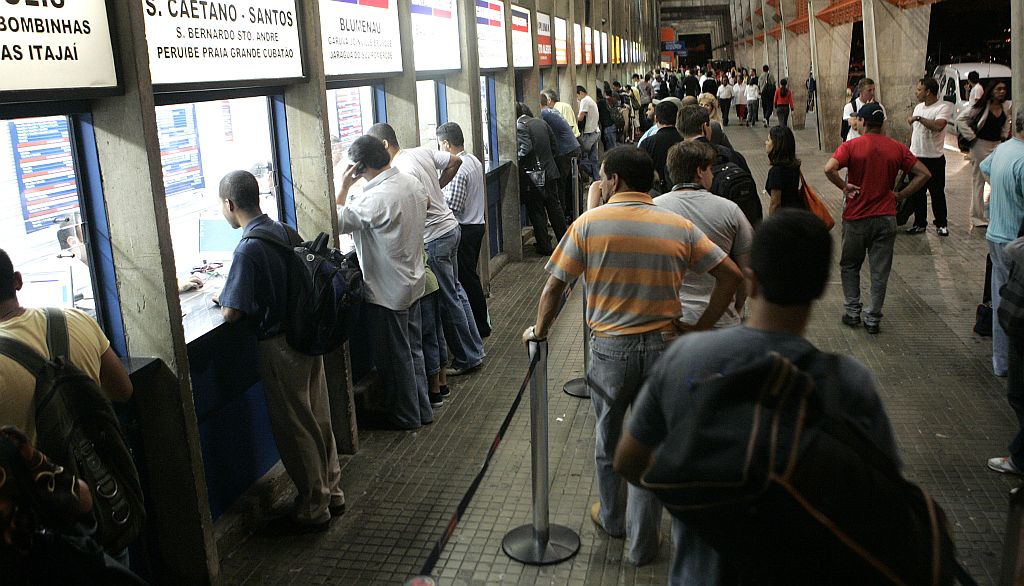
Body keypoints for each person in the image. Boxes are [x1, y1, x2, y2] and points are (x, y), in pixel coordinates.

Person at [614, 209, 900, 586]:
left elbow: (629, 461)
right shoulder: (849, 382)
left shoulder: (688, 358)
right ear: (820, 286)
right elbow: (883, 493)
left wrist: (696, 494)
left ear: (749, 283)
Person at [523, 146, 742, 568]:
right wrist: (698, 328)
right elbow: (730, 275)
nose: (600, 183)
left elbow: (554, 289)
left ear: (615, 181)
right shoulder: (677, 225)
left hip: (609, 350)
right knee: (653, 442)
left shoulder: (589, 225)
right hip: (664, 345)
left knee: (609, 436)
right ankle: (643, 544)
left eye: (603, 177)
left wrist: (540, 332)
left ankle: (612, 518)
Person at [215, 170, 345, 533]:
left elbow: (232, 311)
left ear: (230, 204)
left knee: (296, 426)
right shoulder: (284, 230)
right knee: (318, 416)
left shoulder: (248, 247)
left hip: (278, 345)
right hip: (308, 338)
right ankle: (333, 491)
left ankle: (313, 507)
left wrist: (221, 297)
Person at [365, 123, 486, 376]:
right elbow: (455, 161)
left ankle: (467, 357)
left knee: (449, 299)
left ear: (385, 145)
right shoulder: (420, 152)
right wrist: (439, 186)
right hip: (452, 228)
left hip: (435, 236)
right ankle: (474, 349)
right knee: (457, 292)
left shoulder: (401, 169)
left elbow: (423, 200)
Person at [824, 103, 931, 334]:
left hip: (856, 217)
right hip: (886, 218)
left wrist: (844, 186)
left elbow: (828, 168)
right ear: (882, 123)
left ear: (862, 122)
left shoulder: (851, 146)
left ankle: (852, 312)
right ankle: (873, 318)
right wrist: (901, 194)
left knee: (850, 265)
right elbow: (924, 173)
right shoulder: (897, 148)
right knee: (879, 270)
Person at [657, 140, 753, 330]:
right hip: (720, 322)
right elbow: (747, 272)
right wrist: (737, 307)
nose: (712, 175)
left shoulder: (652, 208)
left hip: (668, 322)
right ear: (700, 172)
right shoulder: (730, 210)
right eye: (710, 169)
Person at [980, 110, 1024, 381]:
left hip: (996, 235)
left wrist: (1002, 192)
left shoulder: (1004, 149)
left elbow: (985, 168)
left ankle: (1001, 361)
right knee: (1018, 305)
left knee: (1001, 300)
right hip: (1015, 240)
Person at [437, 122, 491, 338]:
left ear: (447, 143)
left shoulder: (459, 170)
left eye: (440, 145)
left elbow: (454, 206)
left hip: (466, 228)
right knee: (470, 277)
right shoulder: (474, 161)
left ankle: (480, 326)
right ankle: (481, 322)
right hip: (477, 224)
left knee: (467, 280)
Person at [958, 80, 1013, 228]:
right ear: (992, 90)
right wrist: (972, 137)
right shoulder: (981, 107)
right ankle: (977, 217)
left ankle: (996, 214)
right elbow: (961, 119)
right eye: (998, 89)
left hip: (997, 145)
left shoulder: (1006, 106)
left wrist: (1003, 138)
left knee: (997, 179)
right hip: (980, 145)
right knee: (979, 181)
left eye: (1004, 89)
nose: (1002, 91)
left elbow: (1006, 123)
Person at [516, 103, 568, 255]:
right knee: (555, 208)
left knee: (536, 209)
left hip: (535, 173)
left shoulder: (520, 125)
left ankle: (545, 246)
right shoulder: (541, 122)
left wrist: (517, 159)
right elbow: (554, 147)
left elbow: (525, 149)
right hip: (550, 171)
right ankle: (565, 242)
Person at [905, 77, 954, 236]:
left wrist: (919, 118)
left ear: (928, 92)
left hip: (934, 158)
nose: (916, 92)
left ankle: (941, 224)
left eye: (919, 89)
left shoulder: (942, 108)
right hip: (916, 157)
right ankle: (920, 223)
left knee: (937, 192)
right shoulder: (918, 107)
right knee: (917, 193)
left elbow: (938, 126)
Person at [541, 90, 584, 220]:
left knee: (560, 186)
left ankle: (562, 216)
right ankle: (574, 212)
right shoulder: (552, 111)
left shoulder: (543, 114)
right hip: (574, 147)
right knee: (571, 184)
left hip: (565, 152)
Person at [641, 101, 683, 193]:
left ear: (656, 118)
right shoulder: (684, 140)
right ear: (676, 118)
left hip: (655, 191)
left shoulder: (647, 142)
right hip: (680, 190)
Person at [764, 125, 805, 214]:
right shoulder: (793, 166)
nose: (766, 142)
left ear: (777, 144)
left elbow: (775, 204)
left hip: (784, 218)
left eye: (769, 140)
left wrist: (771, 224)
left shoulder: (775, 172)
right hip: (796, 213)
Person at [843, 78, 883, 142]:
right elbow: (855, 126)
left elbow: (881, 127)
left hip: (872, 144)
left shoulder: (879, 107)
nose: (872, 93)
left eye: (873, 90)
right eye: (869, 90)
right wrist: (867, 109)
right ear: (861, 91)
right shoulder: (850, 106)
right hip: (854, 143)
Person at [576, 85, 602, 181]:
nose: (577, 99)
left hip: (590, 133)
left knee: (580, 156)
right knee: (593, 158)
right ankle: (596, 179)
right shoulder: (590, 100)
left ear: (581, 93)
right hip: (595, 131)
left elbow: (581, 117)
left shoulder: (585, 100)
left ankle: (593, 175)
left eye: (577, 96)